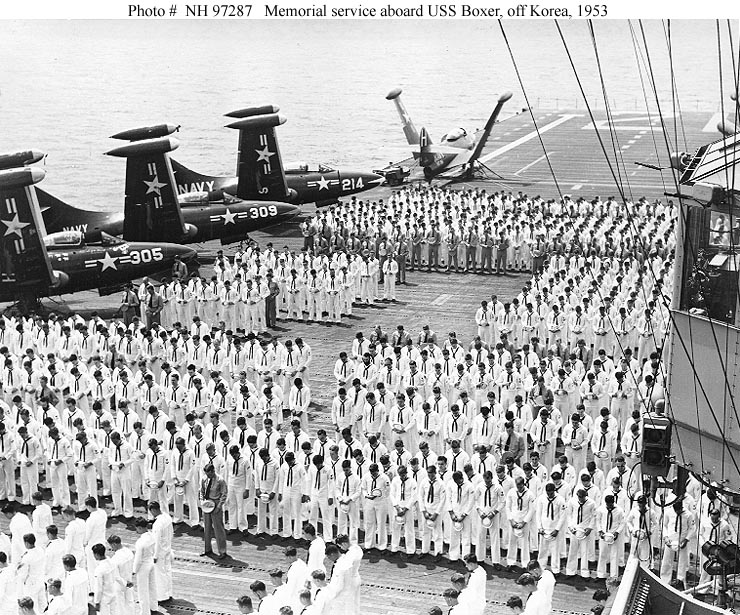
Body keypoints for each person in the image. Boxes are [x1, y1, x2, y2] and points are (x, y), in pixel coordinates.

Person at [200, 463, 228, 559]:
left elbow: (224, 494)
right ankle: (207, 549)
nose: (208, 476)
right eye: (206, 474)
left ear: (213, 471)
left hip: (216, 503)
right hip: (207, 503)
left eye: (209, 474)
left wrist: (219, 507)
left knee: (218, 528)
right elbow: (201, 491)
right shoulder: (204, 479)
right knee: (206, 528)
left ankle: (222, 551)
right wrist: (202, 502)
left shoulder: (220, 480)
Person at [149, 501, 174, 604]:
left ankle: (162, 596)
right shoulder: (167, 517)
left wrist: (155, 555)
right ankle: (169, 592)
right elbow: (171, 533)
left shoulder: (157, 524)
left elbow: (157, 540)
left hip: (160, 552)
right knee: (167, 571)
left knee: (160, 574)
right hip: (167, 548)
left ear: (153, 510)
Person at [132, 518, 157, 615]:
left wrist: (134, 570)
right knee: (152, 586)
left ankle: (145, 612)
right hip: (151, 562)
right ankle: (153, 606)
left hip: (143, 566)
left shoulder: (140, 542)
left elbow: (138, 559)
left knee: (142, 590)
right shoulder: (152, 536)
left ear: (140, 528)